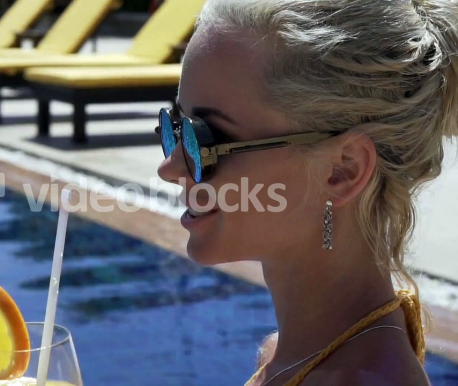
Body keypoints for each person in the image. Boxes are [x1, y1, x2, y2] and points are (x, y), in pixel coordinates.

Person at [156, 0, 458, 385]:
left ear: (343, 169)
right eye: (177, 128)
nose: (171, 168)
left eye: (205, 139)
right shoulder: (290, 356)